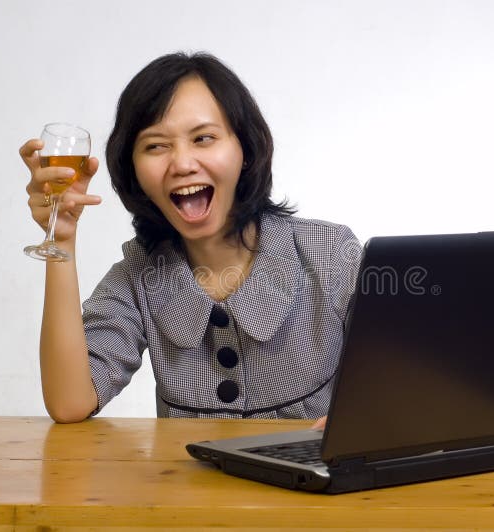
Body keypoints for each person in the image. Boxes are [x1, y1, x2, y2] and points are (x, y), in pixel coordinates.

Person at [20, 52, 360, 424]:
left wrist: (367, 418)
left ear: (244, 149)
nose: (182, 164)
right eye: (156, 146)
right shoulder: (140, 276)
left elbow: (408, 378)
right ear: (133, 170)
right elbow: (70, 403)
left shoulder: (329, 253)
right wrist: (61, 242)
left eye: (203, 138)